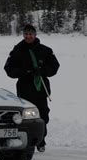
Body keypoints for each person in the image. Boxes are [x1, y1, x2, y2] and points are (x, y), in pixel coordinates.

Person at [4, 24, 60, 152]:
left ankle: (41, 141)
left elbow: (55, 66)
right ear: (23, 35)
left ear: (35, 35)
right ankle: (27, 140)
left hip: (40, 89)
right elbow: (9, 69)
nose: (28, 36)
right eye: (26, 34)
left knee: (43, 115)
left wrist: (42, 70)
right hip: (24, 90)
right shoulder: (17, 51)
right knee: (25, 116)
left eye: (31, 34)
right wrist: (24, 72)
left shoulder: (45, 50)